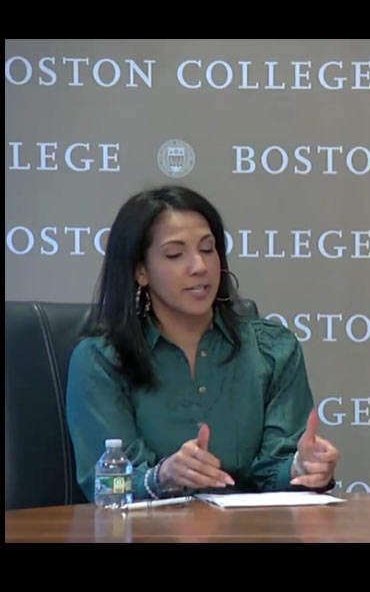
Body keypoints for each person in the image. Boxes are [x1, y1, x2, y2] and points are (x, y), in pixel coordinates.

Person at [67, 186, 339, 501]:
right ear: (140, 271)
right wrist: (162, 477)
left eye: (208, 249)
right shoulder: (101, 361)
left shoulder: (273, 349)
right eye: (175, 254)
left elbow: (273, 470)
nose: (199, 266)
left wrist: (300, 468)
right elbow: (108, 485)